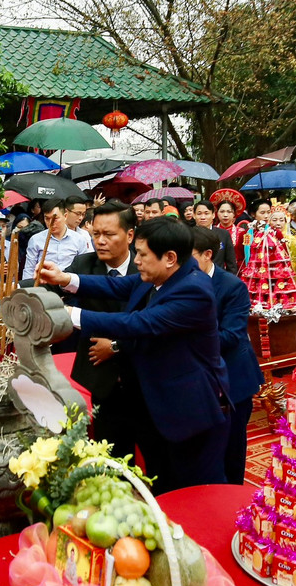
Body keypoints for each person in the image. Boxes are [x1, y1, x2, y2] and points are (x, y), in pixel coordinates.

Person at [35, 218, 229, 493]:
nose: (136, 261)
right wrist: (66, 279)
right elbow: (118, 287)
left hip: (188, 406)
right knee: (161, 480)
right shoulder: (164, 274)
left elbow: (138, 324)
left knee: (194, 488)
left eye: (142, 254)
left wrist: (68, 315)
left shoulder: (193, 290)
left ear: (170, 258)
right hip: (157, 400)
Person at [62, 201, 139, 459]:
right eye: (96, 234)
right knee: (108, 448)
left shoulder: (148, 266)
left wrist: (116, 345)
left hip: (142, 371)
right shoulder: (83, 265)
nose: (100, 241)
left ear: (130, 235)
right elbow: (51, 286)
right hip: (100, 373)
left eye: (109, 234)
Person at [191, 227, 262, 483]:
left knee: (231, 448)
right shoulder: (180, 282)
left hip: (232, 379)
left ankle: (233, 497)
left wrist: (184, 338)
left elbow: (231, 336)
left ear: (207, 255)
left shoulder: (232, 287)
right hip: (197, 381)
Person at [21, 199, 92, 283]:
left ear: (65, 216)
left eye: (55, 219)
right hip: (43, 286)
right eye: (47, 218)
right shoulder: (36, 240)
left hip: (68, 286)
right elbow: (29, 269)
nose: (50, 223)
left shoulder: (79, 240)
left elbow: (83, 269)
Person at [191, 200, 239, 274]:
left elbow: (231, 264)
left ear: (213, 215)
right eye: (199, 214)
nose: (203, 217)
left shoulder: (224, 234)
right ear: (194, 215)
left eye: (206, 213)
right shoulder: (188, 234)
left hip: (218, 278)